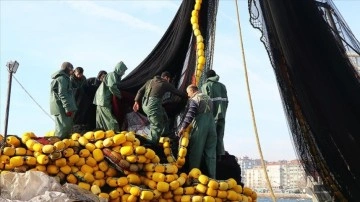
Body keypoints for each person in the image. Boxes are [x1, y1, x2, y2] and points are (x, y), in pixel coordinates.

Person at [133, 71, 187, 145]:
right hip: (153, 106)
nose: (169, 81)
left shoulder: (149, 81)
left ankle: (165, 134)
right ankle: (150, 144)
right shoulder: (164, 83)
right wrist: (188, 95)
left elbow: (140, 91)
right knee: (156, 125)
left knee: (163, 115)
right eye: (169, 79)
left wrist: (136, 102)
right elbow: (177, 92)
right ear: (166, 78)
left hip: (144, 105)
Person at [178, 84, 217, 178]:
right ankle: (213, 177)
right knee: (211, 154)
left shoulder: (195, 99)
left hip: (201, 127)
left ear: (192, 91)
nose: (188, 95)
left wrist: (183, 127)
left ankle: (193, 177)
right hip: (212, 127)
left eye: (188, 93)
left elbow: (190, 115)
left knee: (196, 151)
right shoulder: (208, 98)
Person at [201, 69, 228, 160]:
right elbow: (226, 102)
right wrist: (223, 111)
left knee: (211, 137)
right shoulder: (223, 86)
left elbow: (205, 103)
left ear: (207, 77)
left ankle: (211, 157)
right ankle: (220, 155)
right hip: (222, 114)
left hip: (211, 116)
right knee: (220, 135)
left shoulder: (206, 86)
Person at [93, 61, 127, 131]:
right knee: (110, 120)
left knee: (101, 120)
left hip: (101, 100)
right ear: (119, 69)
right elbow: (112, 86)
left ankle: (101, 134)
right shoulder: (112, 75)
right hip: (103, 100)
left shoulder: (115, 76)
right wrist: (120, 96)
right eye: (123, 71)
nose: (124, 73)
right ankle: (115, 134)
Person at [50, 62, 77, 139]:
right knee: (63, 129)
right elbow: (62, 94)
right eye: (72, 69)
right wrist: (67, 108)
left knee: (64, 128)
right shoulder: (62, 79)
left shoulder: (62, 78)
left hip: (60, 106)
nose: (73, 71)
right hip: (62, 107)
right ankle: (58, 147)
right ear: (68, 68)